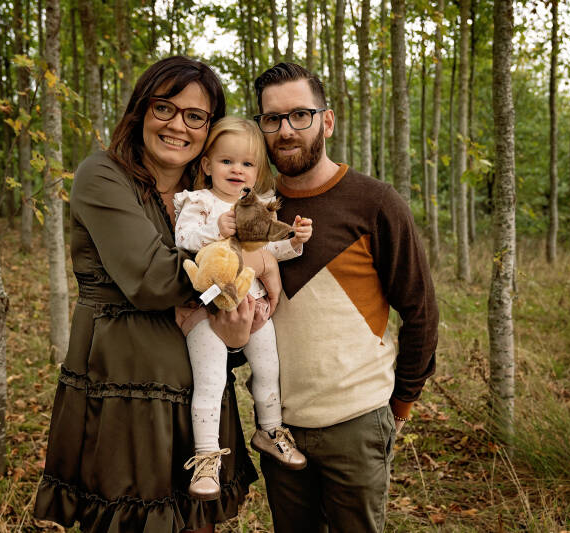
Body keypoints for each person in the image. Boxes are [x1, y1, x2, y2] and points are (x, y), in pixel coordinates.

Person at [33, 56, 262, 533]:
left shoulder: (207, 191)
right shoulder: (102, 176)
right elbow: (152, 278)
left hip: (199, 390)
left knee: (198, 522)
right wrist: (249, 265)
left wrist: (236, 332)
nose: (178, 125)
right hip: (125, 386)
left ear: (209, 129)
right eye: (165, 108)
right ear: (141, 110)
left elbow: (226, 299)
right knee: (133, 517)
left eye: (195, 116)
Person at [252, 62, 439, 533]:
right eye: (272, 119)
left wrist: (400, 406)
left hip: (356, 421)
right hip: (279, 426)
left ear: (327, 121)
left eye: (300, 115)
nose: (285, 130)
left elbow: (420, 310)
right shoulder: (254, 209)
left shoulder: (375, 203)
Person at [172, 117, 312, 501]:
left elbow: (271, 251)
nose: (237, 170)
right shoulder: (198, 202)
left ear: (258, 171)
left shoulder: (259, 207)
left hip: (252, 305)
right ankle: (205, 459)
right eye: (227, 161)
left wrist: (295, 240)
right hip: (207, 306)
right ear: (206, 165)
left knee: (269, 369)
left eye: (247, 164)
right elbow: (182, 239)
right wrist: (217, 226)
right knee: (211, 381)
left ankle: (270, 430)